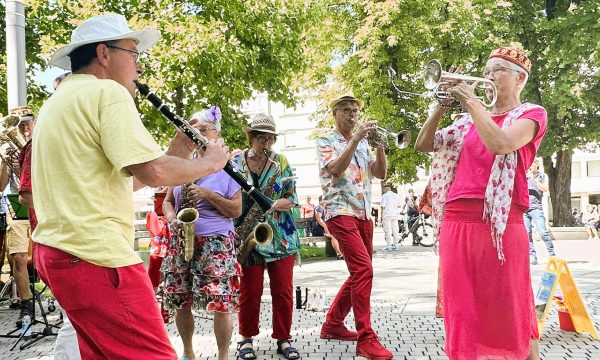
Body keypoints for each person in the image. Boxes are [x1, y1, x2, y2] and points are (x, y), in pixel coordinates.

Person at [32, 13, 229, 358]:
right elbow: (153, 172)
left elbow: (126, 178)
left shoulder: (60, 100)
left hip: (60, 254)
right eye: (133, 54)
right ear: (105, 54)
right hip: (97, 257)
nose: (138, 67)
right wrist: (210, 163)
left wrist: (175, 153)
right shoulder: (106, 92)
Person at [415, 46, 546, 359]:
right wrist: (442, 106)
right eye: (487, 69)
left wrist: (471, 102)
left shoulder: (531, 113)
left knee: (508, 306)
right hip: (456, 221)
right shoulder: (466, 121)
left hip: (501, 223)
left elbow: (501, 143)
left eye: (499, 69)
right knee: (461, 310)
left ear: (520, 79)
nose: (489, 75)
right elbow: (423, 145)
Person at [161, 108, 242, 360]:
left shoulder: (228, 169)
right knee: (180, 299)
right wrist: (173, 218)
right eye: (194, 130)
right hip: (181, 239)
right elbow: (167, 202)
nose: (198, 135)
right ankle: (187, 352)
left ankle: (223, 356)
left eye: (204, 130)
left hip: (216, 241)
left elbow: (237, 209)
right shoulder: (182, 166)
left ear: (216, 134)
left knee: (221, 302)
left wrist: (208, 195)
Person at [316, 95, 392, 360]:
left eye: (355, 110)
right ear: (335, 113)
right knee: (363, 270)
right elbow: (336, 169)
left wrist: (380, 146)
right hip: (339, 211)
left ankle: (333, 324)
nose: (352, 114)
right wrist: (356, 139)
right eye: (346, 110)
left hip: (362, 214)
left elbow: (380, 173)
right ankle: (366, 338)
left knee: (360, 272)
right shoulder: (326, 140)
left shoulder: (362, 146)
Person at [232, 113, 301, 360]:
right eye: (260, 137)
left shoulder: (281, 162)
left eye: (269, 138)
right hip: (247, 236)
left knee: (282, 291)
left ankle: (283, 338)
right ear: (250, 137)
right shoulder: (236, 162)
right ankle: (246, 339)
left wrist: (270, 204)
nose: (265, 143)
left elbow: (292, 198)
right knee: (250, 291)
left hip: (281, 237)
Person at [3, 106, 34, 325]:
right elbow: (0, 185)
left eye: (27, 122)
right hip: (17, 207)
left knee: (45, 258)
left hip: (41, 206)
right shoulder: (8, 150)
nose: (23, 127)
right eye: (20, 123)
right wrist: (4, 161)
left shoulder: (42, 144)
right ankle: (26, 306)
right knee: (19, 258)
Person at [524, 158, 556, 265]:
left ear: (537, 164)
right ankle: (533, 256)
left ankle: (552, 255)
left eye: (531, 163)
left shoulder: (542, 176)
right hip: (524, 210)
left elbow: (545, 189)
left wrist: (533, 179)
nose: (529, 165)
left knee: (543, 232)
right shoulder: (524, 176)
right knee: (526, 234)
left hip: (536, 208)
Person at [380, 185, 401, 251]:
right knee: (395, 230)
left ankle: (389, 245)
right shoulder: (396, 195)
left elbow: (382, 206)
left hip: (387, 214)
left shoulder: (385, 196)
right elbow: (399, 205)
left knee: (388, 230)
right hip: (395, 214)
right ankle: (396, 245)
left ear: (386, 189)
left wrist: (381, 215)